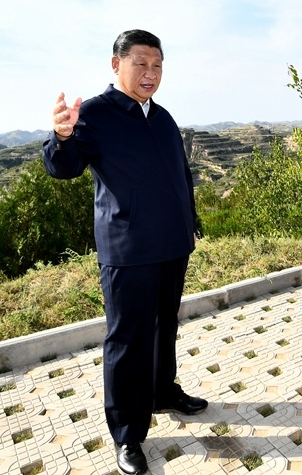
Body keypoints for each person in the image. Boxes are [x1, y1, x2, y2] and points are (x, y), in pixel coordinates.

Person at [42, 29, 206, 475]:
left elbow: (181, 175)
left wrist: (190, 224)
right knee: (128, 340)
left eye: (157, 65)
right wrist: (61, 136)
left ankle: (162, 392)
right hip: (128, 249)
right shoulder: (95, 113)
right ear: (117, 65)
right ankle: (128, 435)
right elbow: (63, 166)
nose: (150, 73)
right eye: (141, 64)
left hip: (172, 244)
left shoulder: (163, 117)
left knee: (164, 325)